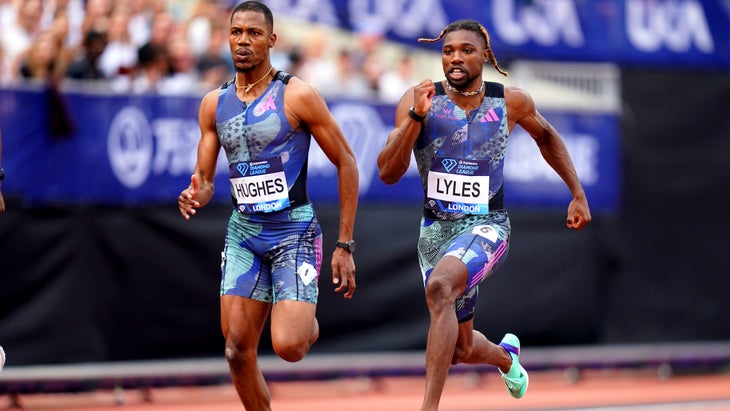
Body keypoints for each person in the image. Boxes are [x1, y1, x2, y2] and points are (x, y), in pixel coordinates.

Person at [377, 19, 591, 411]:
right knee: (458, 349)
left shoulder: (510, 101)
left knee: (441, 288)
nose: (455, 57)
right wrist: (413, 118)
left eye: (466, 50)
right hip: (435, 232)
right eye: (448, 51)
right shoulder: (419, 97)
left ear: (486, 56)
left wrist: (576, 193)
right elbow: (388, 173)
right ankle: (506, 358)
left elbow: (546, 136)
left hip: (486, 226)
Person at [177, 2, 358, 410]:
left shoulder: (298, 95)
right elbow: (204, 181)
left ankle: (302, 313)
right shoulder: (213, 104)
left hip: (293, 229)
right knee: (236, 351)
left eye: (254, 33)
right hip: (244, 231)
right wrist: (195, 194)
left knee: (290, 346)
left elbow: (347, 162)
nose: (244, 41)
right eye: (237, 32)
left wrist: (345, 244)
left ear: (271, 40)